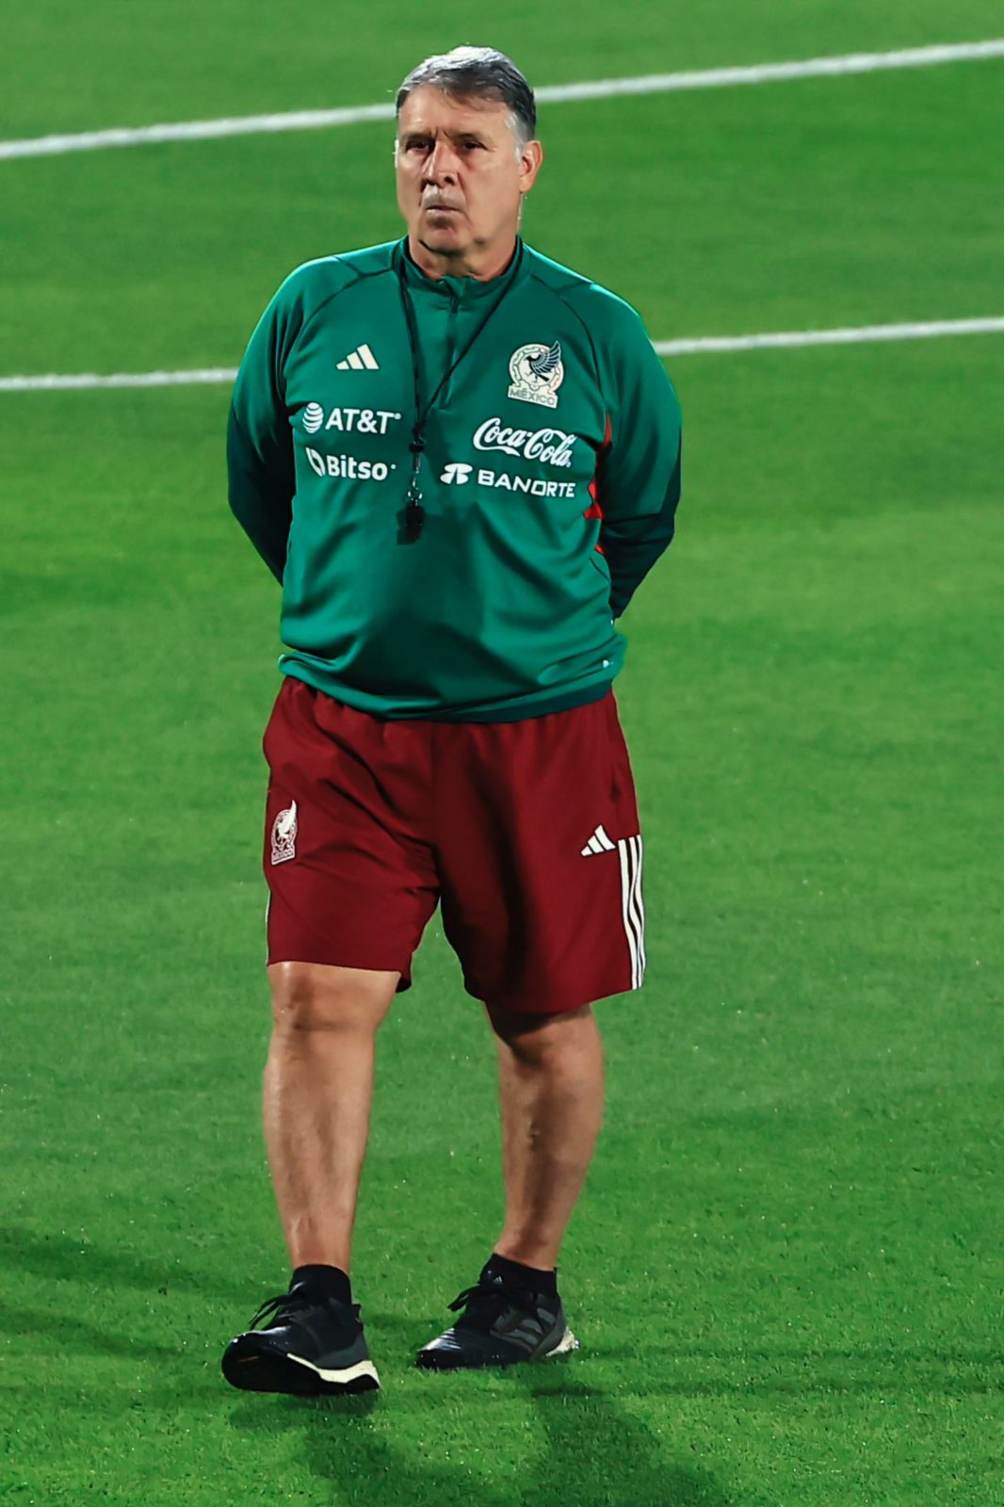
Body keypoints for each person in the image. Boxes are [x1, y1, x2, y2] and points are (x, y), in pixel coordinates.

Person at [221, 44, 682, 1397]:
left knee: (540, 1017)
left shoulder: (595, 334)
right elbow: (262, 481)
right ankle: (319, 1306)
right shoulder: (316, 306)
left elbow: (642, 515)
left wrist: (527, 636)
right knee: (317, 998)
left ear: (525, 165)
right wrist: (355, 612)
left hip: (536, 740)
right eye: (418, 142)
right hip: (342, 728)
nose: (439, 169)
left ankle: (525, 1288)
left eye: (469, 146)